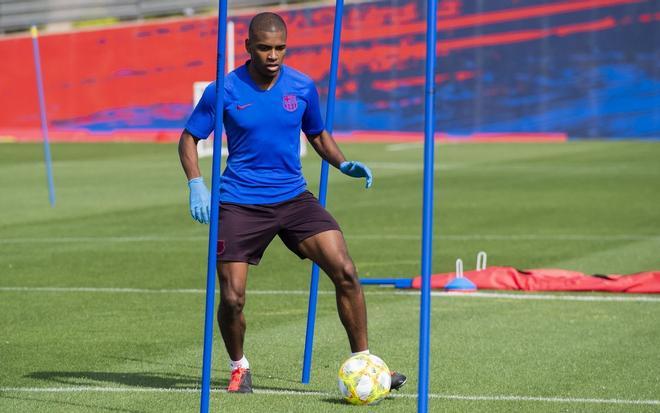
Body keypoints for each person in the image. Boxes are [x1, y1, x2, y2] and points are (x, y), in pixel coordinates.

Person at [178, 12, 406, 393]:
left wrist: (342, 161)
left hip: (294, 198)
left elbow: (316, 133)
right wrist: (196, 183)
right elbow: (189, 139)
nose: (273, 55)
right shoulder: (224, 90)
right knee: (232, 298)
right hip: (239, 203)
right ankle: (239, 366)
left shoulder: (301, 86)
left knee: (346, 270)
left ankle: (366, 361)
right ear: (248, 47)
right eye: (265, 48)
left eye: (280, 48)